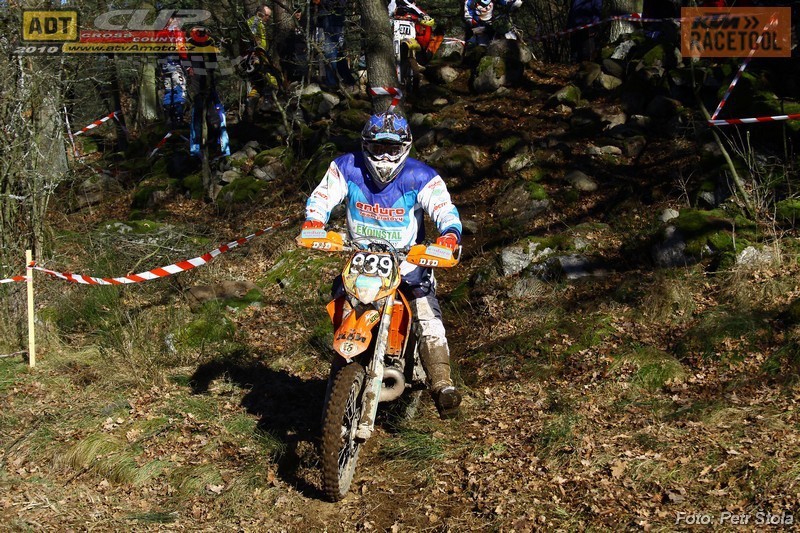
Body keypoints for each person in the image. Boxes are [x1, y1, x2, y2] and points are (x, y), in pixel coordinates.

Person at [302, 111, 464, 419]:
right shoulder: (346, 167)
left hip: (407, 265)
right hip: (360, 263)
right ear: (366, 146)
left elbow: (445, 210)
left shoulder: (422, 176)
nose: (385, 157)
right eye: (378, 148)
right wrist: (314, 220)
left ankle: (443, 386)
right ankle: (343, 372)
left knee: (427, 318)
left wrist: (448, 236)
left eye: (392, 148)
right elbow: (322, 197)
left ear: (405, 147)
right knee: (339, 301)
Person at [186, 26, 230, 159]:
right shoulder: (191, 45)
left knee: (214, 113)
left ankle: (220, 146)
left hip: (207, 85)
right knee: (201, 115)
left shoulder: (208, 43)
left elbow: (213, 62)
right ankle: (200, 148)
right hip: (200, 87)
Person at [313, 0, 357, 89]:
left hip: (332, 19)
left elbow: (340, 3)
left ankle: (332, 82)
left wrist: (322, 2)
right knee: (337, 52)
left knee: (331, 51)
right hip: (329, 19)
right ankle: (348, 80)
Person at [158, 15, 188, 127]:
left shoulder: (161, 33)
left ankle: (169, 118)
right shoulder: (176, 31)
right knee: (180, 90)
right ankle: (178, 119)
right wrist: (187, 64)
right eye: (177, 20)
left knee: (168, 91)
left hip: (165, 66)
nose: (179, 22)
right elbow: (181, 48)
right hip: (175, 64)